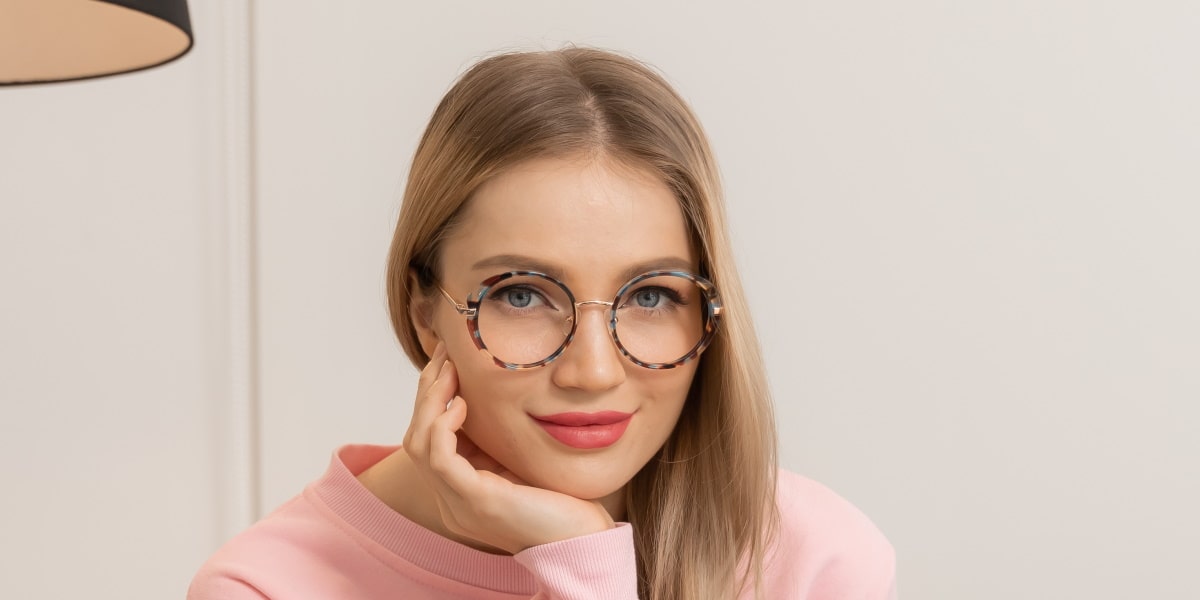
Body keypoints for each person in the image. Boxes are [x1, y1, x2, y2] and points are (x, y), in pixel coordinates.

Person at [188, 46, 896, 600]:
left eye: (650, 296)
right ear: (424, 310)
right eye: (522, 295)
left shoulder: (814, 560)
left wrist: (582, 562)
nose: (592, 371)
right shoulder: (266, 589)